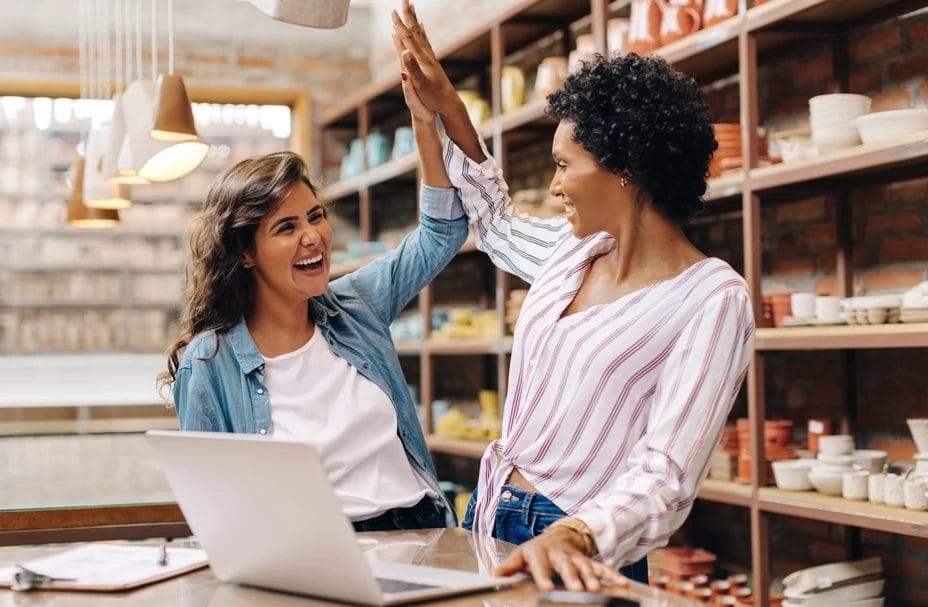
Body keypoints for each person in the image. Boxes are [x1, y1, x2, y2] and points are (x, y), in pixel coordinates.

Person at [392, 0, 755, 591]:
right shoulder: (572, 251)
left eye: (564, 166)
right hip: (491, 513)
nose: (555, 185)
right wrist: (445, 109)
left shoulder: (713, 299)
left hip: (578, 543)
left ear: (625, 170)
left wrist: (577, 534)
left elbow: (668, 471)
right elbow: (495, 220)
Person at [159, 80, 466, 532]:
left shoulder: (355, 305)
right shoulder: (210, 364)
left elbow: (442, 233)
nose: (313, 237)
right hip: (320, 546)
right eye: (286, 227)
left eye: (316, 216)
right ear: (245, 253)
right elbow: (216, 512)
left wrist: (424, 120)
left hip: (423, 528)